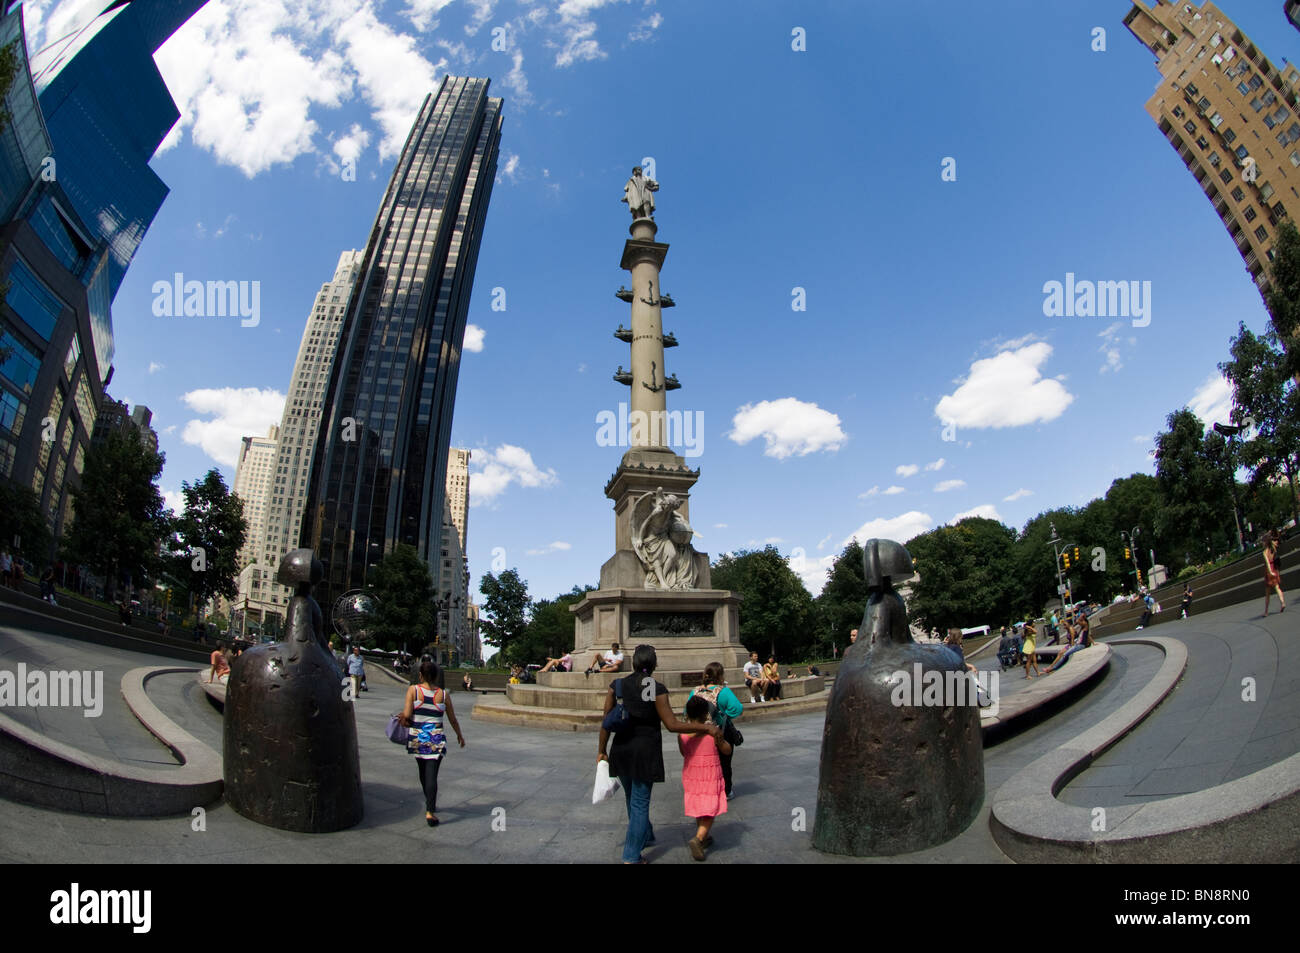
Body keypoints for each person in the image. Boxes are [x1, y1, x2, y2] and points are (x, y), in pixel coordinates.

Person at [597, 644, 719, 864]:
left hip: (621, 749)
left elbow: (606, 720)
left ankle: (645, 834)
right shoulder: (654, 687)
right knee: (640, 802)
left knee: (631, 797)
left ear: (633, 662)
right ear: (654, 664)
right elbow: (671, 724)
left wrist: (601, 751)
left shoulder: (617, 685)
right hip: (644, 751)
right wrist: (705, 728)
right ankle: (631, 857)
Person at [399, 659, 465, 826]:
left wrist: (404, 717)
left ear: (420, 675)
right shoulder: (443, 695)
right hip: (436, 738)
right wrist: (459, 735)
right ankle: (430, 809)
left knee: (423, 772)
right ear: (436, 677)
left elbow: (407, 714)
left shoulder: (413, 690)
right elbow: (452, 719)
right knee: (431, 774)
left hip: (418, 738)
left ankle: (430, 804)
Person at [678, 693, 732, 861]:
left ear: (687, 714)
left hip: (692, 774)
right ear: (705, 714)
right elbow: (727, 750)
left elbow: (683, 752)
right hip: (709, 774)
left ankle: (704, 835)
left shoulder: (682, 735)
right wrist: (721, 740)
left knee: (700, 804)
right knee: (711, 807)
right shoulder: (712, 732)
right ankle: (698, 838)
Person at [688, 661, 744, 798]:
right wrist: (722, 717)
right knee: (724, 763)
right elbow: (737, 708)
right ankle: (726, 790)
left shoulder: (695, 691)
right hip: (719, 733)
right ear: (720, 675)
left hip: (700, 733)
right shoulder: (723, 691)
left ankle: (707, 788)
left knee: (705, 764)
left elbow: (687, 711)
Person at [1264, 529, 1287, 616]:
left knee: (1268, 593)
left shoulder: (1265, 552)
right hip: (1275, 571)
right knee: (1278, 588)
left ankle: (1266, 612)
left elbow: (1267, 563)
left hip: (1269, 573)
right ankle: (1282, 602)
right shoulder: (1273, 549)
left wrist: (1270, 572)